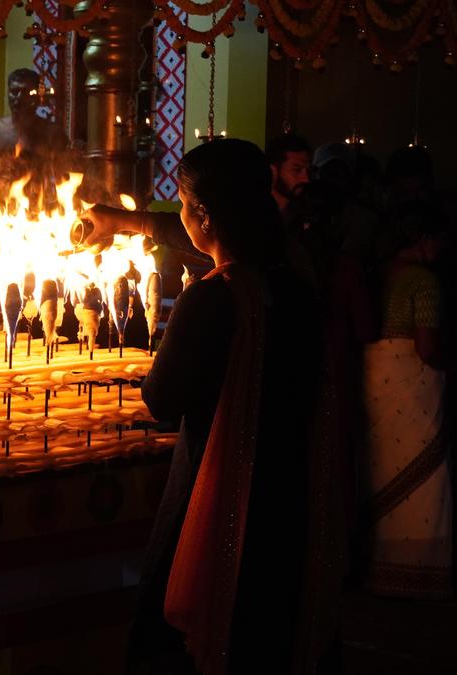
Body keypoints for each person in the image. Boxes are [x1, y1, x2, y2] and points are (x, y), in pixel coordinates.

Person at [126, 139, 338, 675]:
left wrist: (150, 370)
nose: (180, 213)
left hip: (217, 484)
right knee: (269, 626)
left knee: (186, 635)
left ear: (202, 213)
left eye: (180, 202)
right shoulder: (296, 285)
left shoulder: (214, 295)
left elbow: (163, 399)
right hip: (289, 484)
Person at [361, 200, 451, 599]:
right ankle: (417, 577)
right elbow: (428, 348)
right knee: (426, 476)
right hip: (409, 378)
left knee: (380, 468)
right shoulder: (423, 280)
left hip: (375, 375)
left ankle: (379, 568)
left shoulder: (378, 272)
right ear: (424, 238)